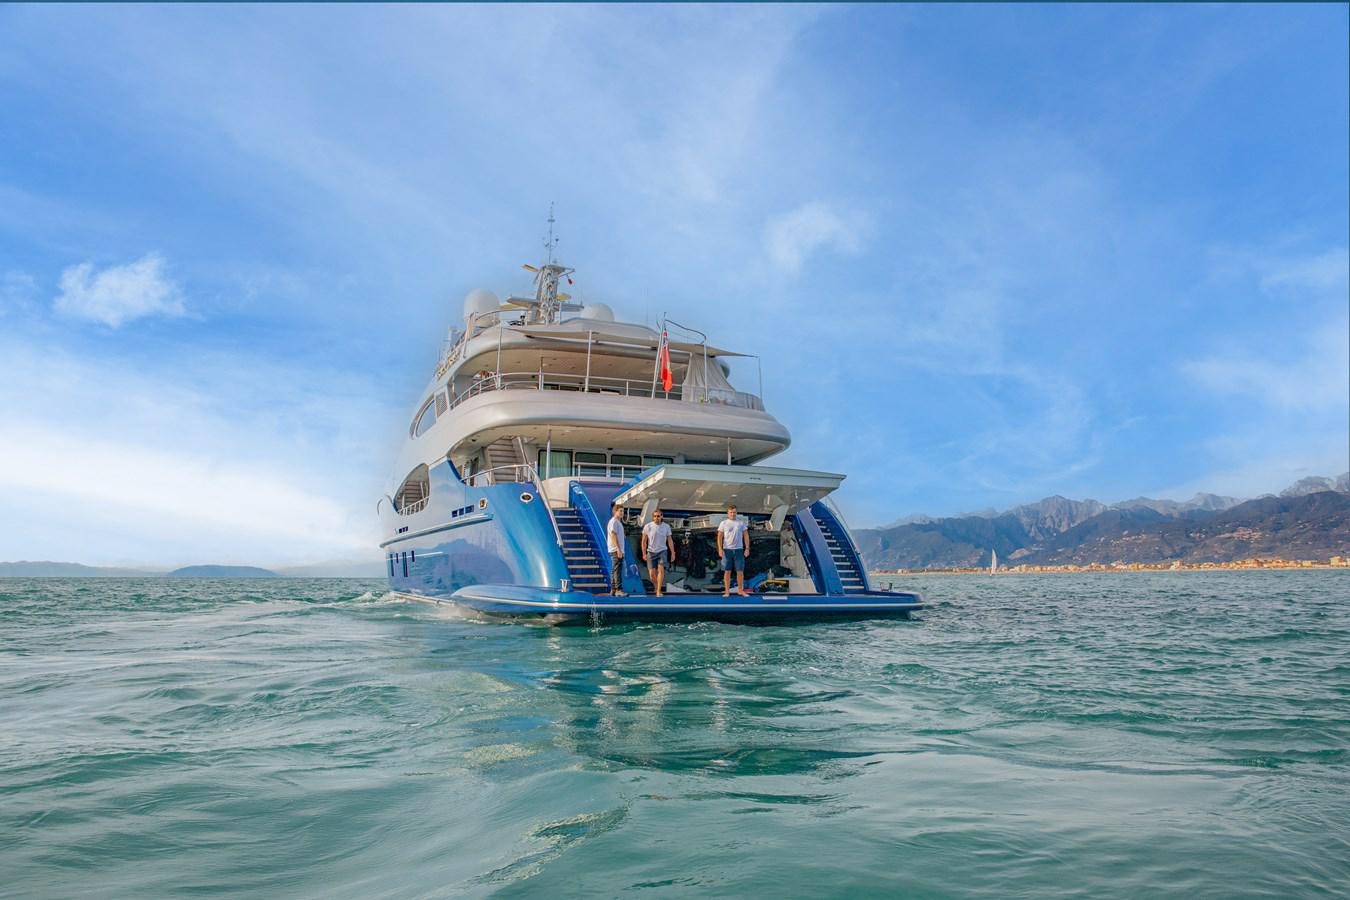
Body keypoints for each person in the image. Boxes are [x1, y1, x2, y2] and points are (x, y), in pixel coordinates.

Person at [716, 503, 751, 597]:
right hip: (727, 550)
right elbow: (719, 536)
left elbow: (746, 535)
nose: (733, 514)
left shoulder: (741, 523)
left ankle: (740, 590)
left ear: (736, 512)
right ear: (728, 513)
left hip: (739, 550)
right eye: (731, 512)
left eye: (734, 512)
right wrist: (720, 549)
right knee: (727, 571)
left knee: (740, 571)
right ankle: (727, 591)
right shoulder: (723, 523)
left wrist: (747, 548)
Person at [641, 509, 676, 597]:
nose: (656, 518)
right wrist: (644, 553)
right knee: (652, 574)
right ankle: (656, 587)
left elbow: (670, 540)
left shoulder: (666, 527)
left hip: (662, 551)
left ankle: (658, 591)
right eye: (655, 516)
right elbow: (644, 541)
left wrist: (673, 553)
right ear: (653, 517)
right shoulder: (648, 526)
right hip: (651, 551)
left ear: (661, 517)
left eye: (658, 516)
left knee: (661, 570)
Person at [607, 502, 626, 595]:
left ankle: (613, 590)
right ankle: (618, 589)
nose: (622, 513)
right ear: (615, 511)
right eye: (620, 511)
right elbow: (613, 535)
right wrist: (618, 549)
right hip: (615, 549)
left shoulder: (618, 522)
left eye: (623, 511)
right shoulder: (614, 521)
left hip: (617, 549)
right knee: (617, 569)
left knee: (615, 569)